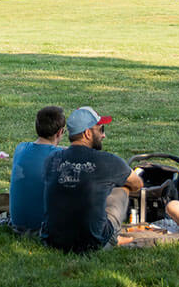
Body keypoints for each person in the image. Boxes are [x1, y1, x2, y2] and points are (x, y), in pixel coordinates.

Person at [41, 106, 144, 253]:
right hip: (93, 243)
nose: (103, 136)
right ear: (87, 133)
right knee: (123, 188)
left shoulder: (51, 159)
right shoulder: (108, 161)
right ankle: (113, 237)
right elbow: (137, 184)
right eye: (101, 129)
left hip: (52, 241)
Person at [8, 105, 66, 233]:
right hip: (42, 226)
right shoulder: (60, 156)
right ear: (60, 132)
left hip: (17, 222)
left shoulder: (21, 148)